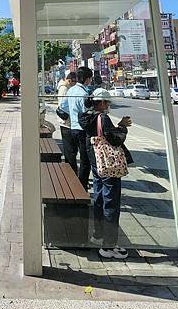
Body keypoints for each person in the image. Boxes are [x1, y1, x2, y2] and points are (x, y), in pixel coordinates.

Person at [82, 88, 133, 260]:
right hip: (108, 164)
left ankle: (98, 234)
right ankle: (109, 245)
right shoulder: (102, 118)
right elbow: (114, 138)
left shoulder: (87, 117)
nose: (109, 105)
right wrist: (122, 127)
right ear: (102, 102)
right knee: (111, 200)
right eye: (108, 102)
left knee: (99, 196)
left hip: (96, 162)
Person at [61, 66, 93, 189]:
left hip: (72, 128)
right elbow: (87, 112)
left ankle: (76, 184)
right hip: (83, 130)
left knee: (73, 156)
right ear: (86, 79)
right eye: (89, 79)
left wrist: (73, 114)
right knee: (85, 160)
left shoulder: (71, 90)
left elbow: (63, 106)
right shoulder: (84, 93)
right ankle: (81, 186)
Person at [56, 72, 78, 172]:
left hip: (67, 122)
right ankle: (71, 171)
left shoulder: (66, 87)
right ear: (69, 80)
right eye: (74, 82)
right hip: (66, 122)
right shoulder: (64, 88)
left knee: (70, 149)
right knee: (69, 149)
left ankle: (71, 170)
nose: (75, 84)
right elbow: (63, 106)